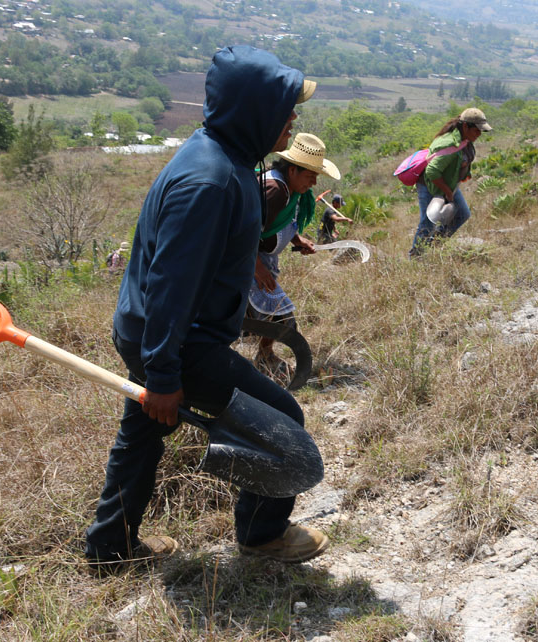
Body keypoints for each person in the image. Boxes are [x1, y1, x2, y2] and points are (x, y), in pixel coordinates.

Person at [83, 45, 329, 575]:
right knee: (284, 418)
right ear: (254, 112)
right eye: (286, 109)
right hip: (176, 339)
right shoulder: (210, 182)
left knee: (142, 434)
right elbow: (172, 286)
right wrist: (167, 374)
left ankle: (109, 548)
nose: (292, 120)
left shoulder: (222, 155)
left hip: (152, 332)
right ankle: (262, 536)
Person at [248, 132, 340, 376]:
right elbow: (240, 231)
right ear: (292, 171)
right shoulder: (275, 189)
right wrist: (256, 267)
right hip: (244, 260)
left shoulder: (288, 189)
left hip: (256, 259)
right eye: (310, 176)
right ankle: (262, 359)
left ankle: (262, 357)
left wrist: (296, 239)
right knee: (280, 313)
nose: (313, 183)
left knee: (270, 314)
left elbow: (276, 222)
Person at [408, 107, 490, 256]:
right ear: (465, 126)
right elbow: (432, 171)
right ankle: (416, 257)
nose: (479, 134)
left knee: (462, 214)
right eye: (477, 130)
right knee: (428, 223)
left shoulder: (465, 140)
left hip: (447, 184)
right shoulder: (450, 144)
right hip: (430, 186)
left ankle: (433, 247)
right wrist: (446, 191)